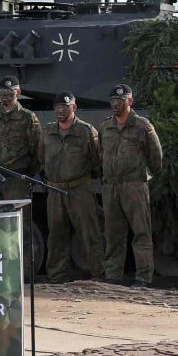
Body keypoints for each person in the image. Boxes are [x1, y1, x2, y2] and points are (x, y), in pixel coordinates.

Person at [98, 83, 162, 288]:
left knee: (141, 232)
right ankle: (113, 275)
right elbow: (101, 154)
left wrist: (143, 176)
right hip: (111, 187)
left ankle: (143, 277)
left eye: (120, 100)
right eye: (113, 101)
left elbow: (156, 157)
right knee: (113, 233)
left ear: (130, 101)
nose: (116, 104)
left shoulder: (142, 126)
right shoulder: (105, 127)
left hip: (134, 185)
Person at [38, 91, 103, 283]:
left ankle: (98, 273)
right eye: (57, 107)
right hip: (55, 189)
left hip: (79, 189)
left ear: (73, 108)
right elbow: (42, 158)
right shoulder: (48, 132)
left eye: (65, 107)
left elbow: (96, 160)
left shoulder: (86, 131)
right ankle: (57, 275)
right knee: (56, 234)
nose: (60, 111)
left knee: (89, 232)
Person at [0, 76, 41, 200]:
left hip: (17, 177)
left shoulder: (28, 118)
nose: (5, 95)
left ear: (18, 93)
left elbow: (37, 150)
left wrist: (27, 173)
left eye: (9, 92)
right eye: (2, 92)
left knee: (18, 215)